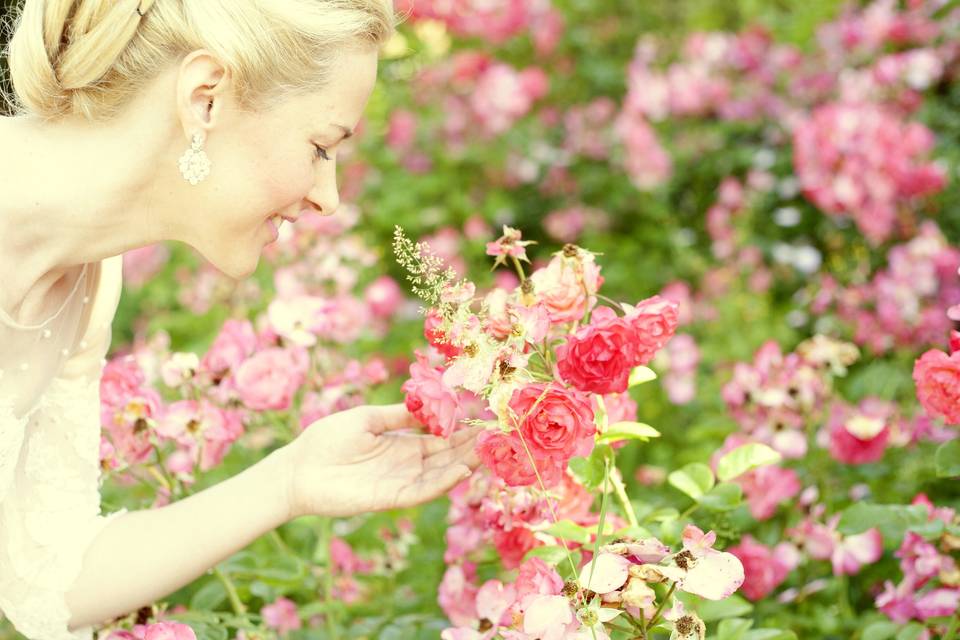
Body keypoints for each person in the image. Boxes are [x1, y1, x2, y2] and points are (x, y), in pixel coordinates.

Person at [0, 1, 480, 638]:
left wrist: (288, 482)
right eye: (320, 147)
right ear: (206, 99)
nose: (328, 199)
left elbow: (48, 579)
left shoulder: (86, 283)